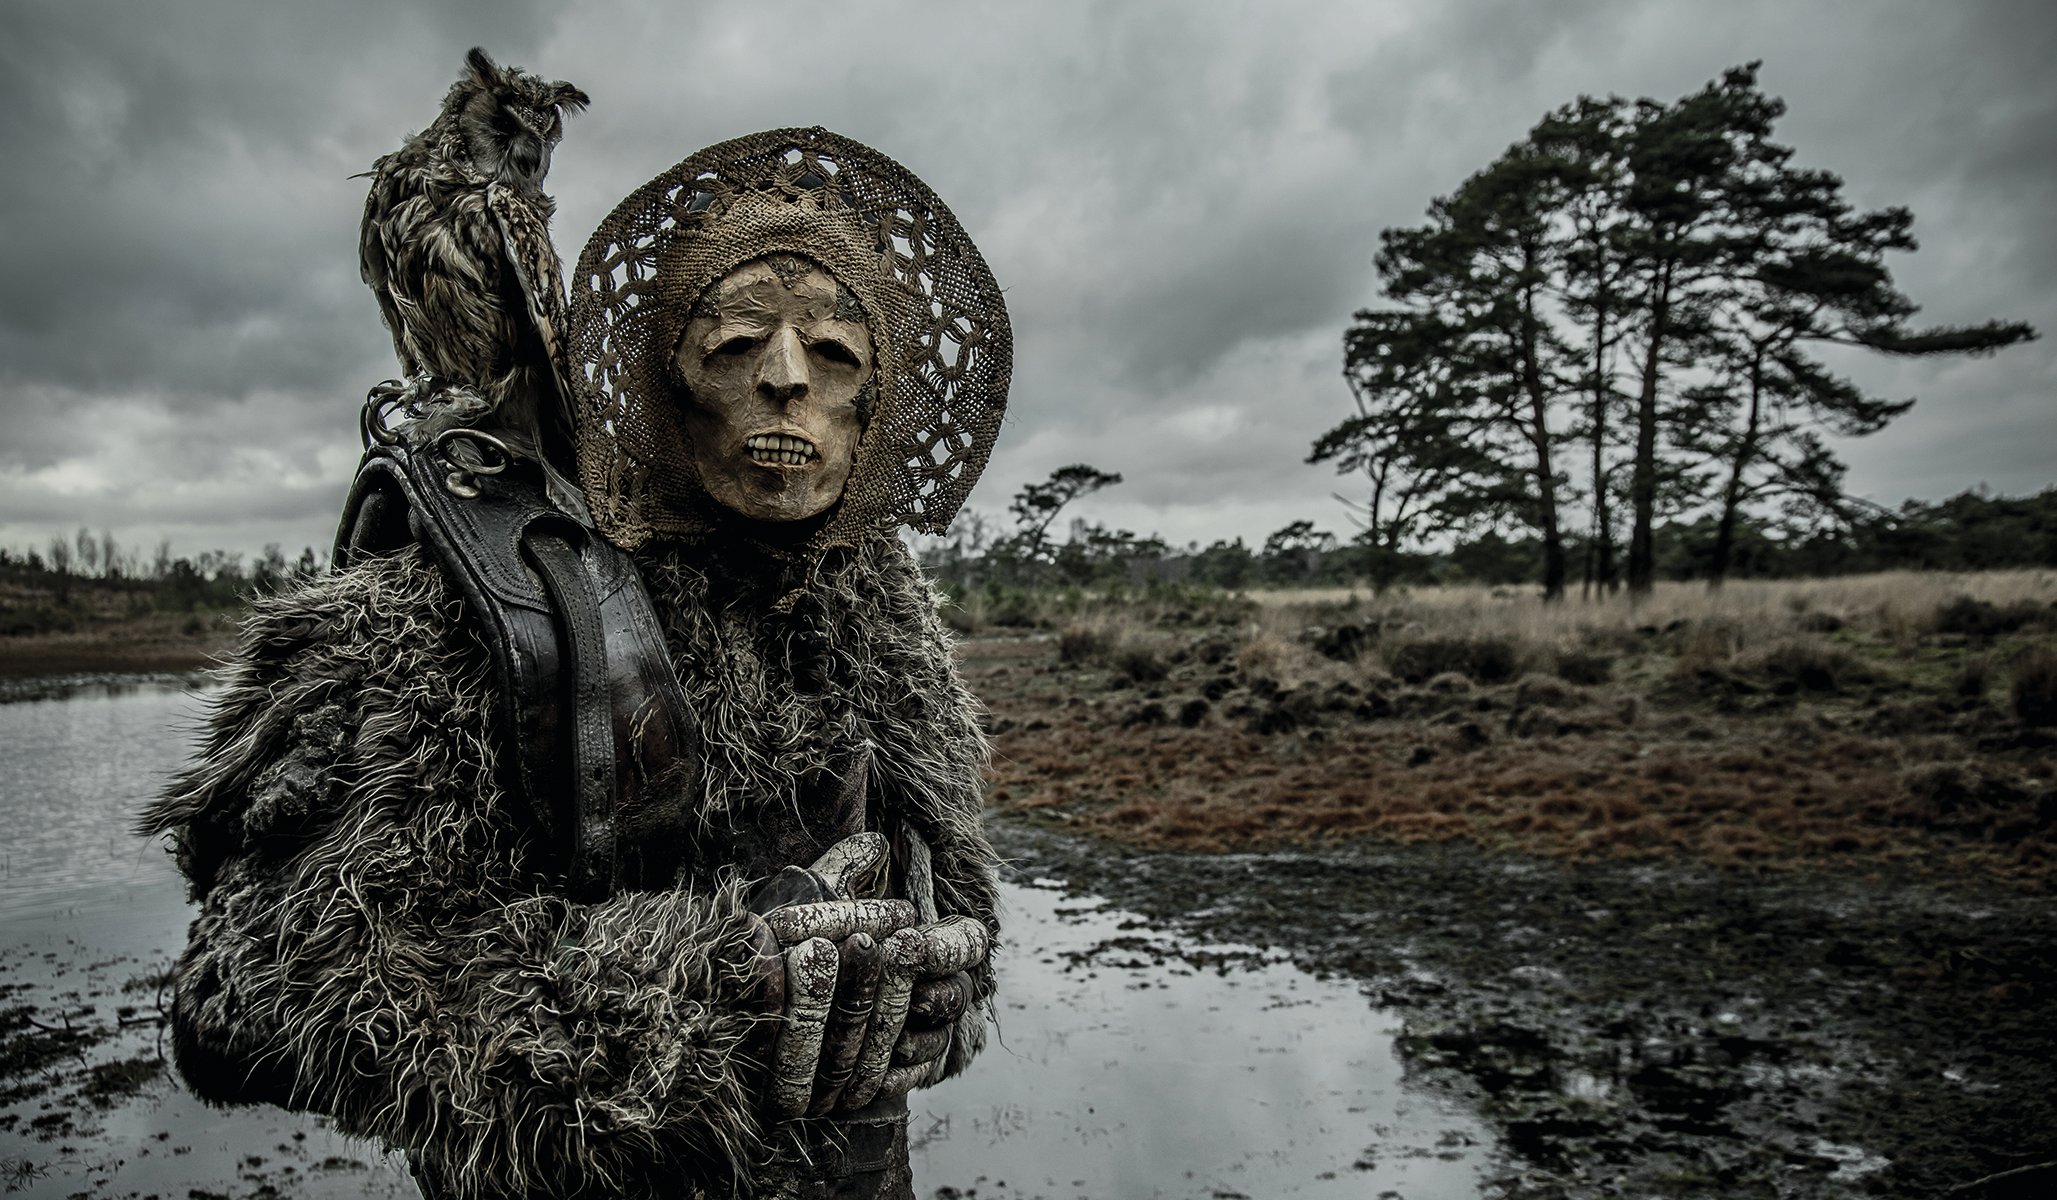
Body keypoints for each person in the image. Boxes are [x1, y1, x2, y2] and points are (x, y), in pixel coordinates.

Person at [142, 127, 1013, 1199]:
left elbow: (951, 898)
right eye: (737, 343)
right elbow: (250, 995)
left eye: (833, 354)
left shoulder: (879, 609)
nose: (787, 379)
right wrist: (700, 1004)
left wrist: (933, 999)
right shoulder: (483, 593)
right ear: (659, 380)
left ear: (875, 401)